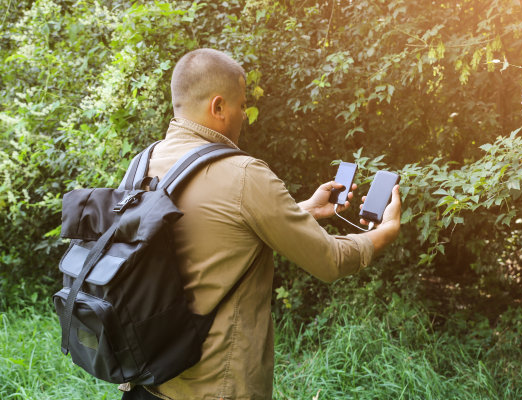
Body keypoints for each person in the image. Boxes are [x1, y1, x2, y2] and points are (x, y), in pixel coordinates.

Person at [120, 48, 401, 400]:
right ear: (218, 107)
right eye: (241, 106)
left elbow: (211, 230)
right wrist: (382, 233)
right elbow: (330, 260)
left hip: (146, 381)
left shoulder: (142, 164)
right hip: (215, 388)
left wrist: (301, 212)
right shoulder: (243, 174)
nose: (244, 117)